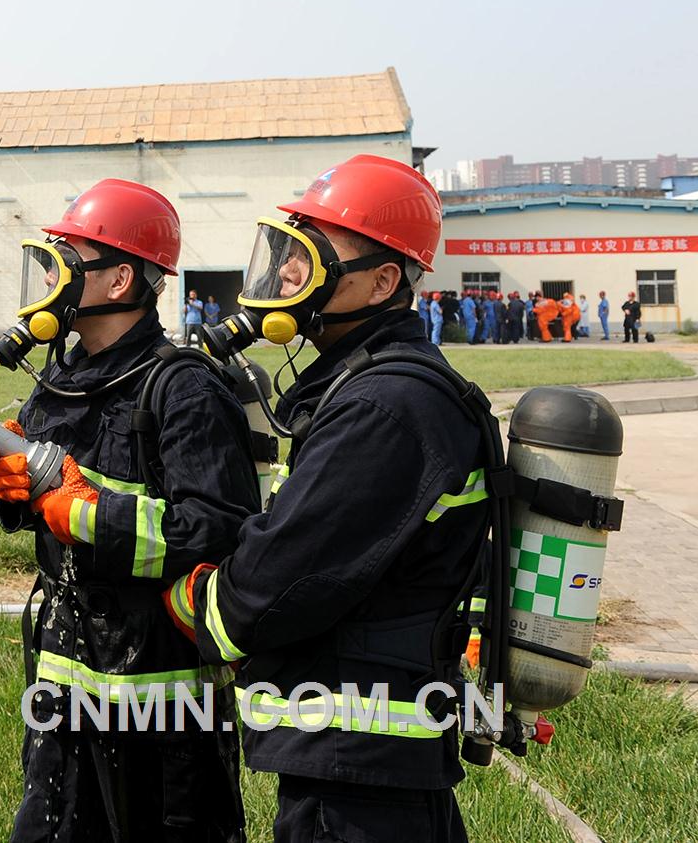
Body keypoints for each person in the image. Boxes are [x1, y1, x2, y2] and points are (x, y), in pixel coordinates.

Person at [160, 154, 488, 843]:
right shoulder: (370, 387)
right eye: (287, 249)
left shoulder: (385, 407)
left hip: (359, 774)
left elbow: (276, 583)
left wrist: (198, 599)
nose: (285, 271)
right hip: (365, 764)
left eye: (311, 252)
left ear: (382, 281)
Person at [0, 178, 256, 843]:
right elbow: (37, 515)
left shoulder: (184, 389)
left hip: (165, 707)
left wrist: (85, 511)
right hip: (63, 681)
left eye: (67, 260)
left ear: (117, 279)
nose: (50, 277)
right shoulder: (56, 384)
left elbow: (217, 532)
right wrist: (7, 491)